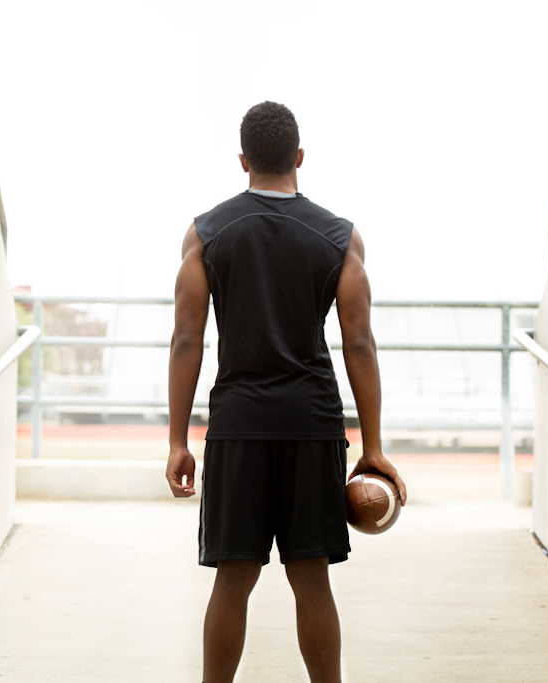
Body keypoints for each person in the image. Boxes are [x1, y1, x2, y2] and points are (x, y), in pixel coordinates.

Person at [166, 101, 408, 683]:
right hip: (311, 426)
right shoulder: (340, 238)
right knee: (311, 577)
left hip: (239, 428)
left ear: (243, 160)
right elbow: (360, 344)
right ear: (299, 157)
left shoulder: (205, 234)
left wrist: (177, 441)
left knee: (233, 577)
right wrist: (372, 445)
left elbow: (185, 341)